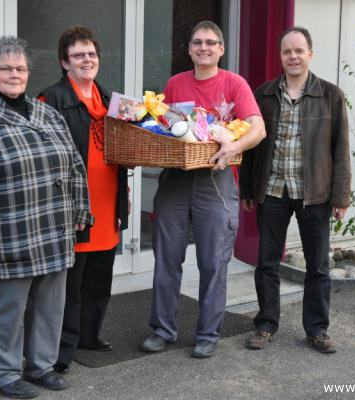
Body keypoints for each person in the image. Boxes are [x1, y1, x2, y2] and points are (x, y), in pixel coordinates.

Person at [0, 36, 92, 398]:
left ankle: (41, 366)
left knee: (49, 303)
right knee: (8, 308)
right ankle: (4, 373)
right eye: (6, 68)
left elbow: (75, 165)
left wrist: (80, 209)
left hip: (54, 226)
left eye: (21, 68)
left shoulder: (46, 112)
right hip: (10, 229)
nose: (14, 74)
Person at [140, 20, 265, 358]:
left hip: (216, 181)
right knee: (167, 260)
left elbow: (258, 128)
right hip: (176, 182)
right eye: (198, 42)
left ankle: (208, 333)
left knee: (213, 262)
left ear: (221, 49)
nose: (204, 48)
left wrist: (235, 147)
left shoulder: (234, 83)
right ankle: (162, 330)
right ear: (190, 49)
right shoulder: (175, 82)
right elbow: (165, 128)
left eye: (211, 43)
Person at [240, 27, 351, 353]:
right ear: (281, 56)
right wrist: (247, 188)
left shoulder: (330, 95)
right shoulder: (263, 94)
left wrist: (340, 196)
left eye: (299, 51)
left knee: (317, 267)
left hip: (314, 194)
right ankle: (265, 324)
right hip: (272, 191)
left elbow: (340, 149)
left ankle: (317, 329)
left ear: (310, 54)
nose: (293, 56)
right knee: (267, 263)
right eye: (287, 51)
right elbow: (251, 148)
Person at [38, 26, 129, 374]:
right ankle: (62, 350)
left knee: (99, 279)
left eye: (91, 54)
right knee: (68, 286)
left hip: (108, 204)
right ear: (65, 62)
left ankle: (90, 336)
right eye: (78, 55)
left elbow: (122, 148)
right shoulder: (50, 100)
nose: (87, 60)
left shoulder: (110, 100)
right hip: (73, 209)